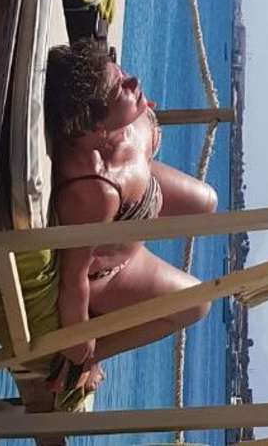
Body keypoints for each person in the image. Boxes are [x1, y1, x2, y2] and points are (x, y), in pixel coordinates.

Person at [44, 39, 219, 398]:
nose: (134, 82)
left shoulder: (116, 124)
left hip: (138, 199)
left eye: (121, 72)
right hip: (111, 271)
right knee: (199, 302)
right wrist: (80, 346)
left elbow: (122, 102)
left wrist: (141, 119)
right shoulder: (95, 189)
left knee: (207, 202)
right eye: (120, 88)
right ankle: (94, 356)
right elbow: (74, 279)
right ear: (96, 128)